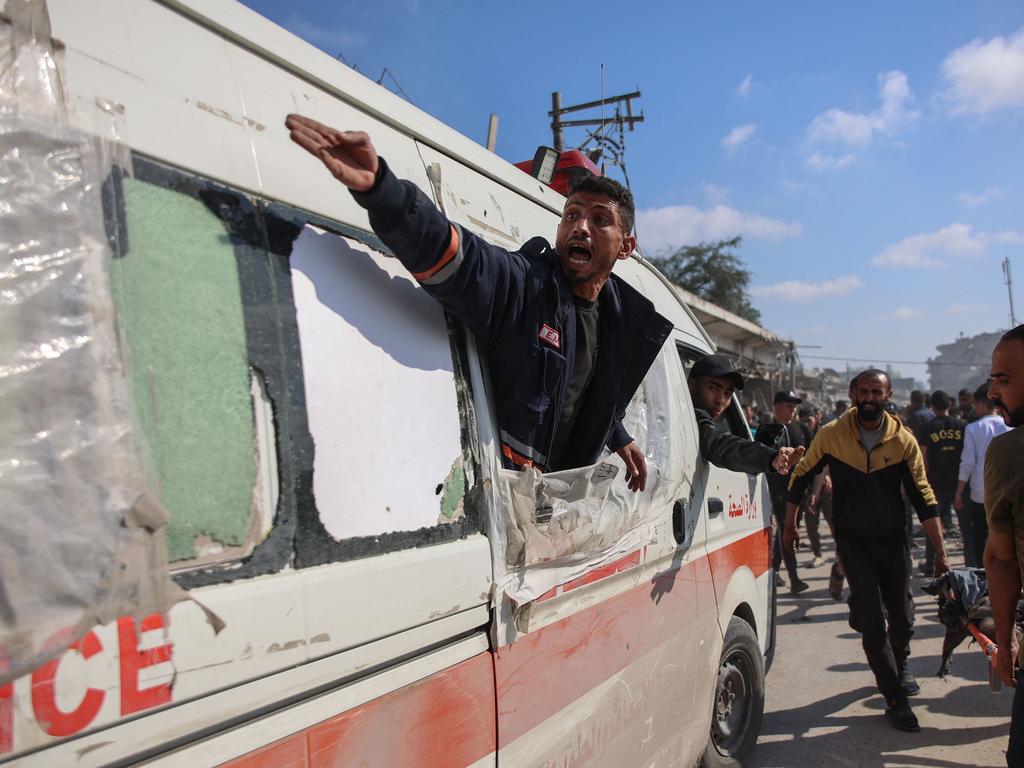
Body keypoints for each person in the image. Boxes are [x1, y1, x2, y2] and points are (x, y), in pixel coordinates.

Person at [285, 114, 672, 490]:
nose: (580, 227)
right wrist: (383, 193)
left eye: (600, 220)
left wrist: (615, 433)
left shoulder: (621, 323)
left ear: (626, 246)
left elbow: (581, 383)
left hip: (561, 512)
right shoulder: (526, 287)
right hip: (506, 505)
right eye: (572, 214)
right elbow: (465, 260)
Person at [783, 369, 948, 732]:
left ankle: (900, 663)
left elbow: (924, 497)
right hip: (852, 541)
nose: (870, 398)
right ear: (853, 393)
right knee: (874, 624)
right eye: (864, 392)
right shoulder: (831, 435)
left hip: (893, 541)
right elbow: (801, 474)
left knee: (903, 617)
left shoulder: (902, 440)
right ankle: (895, 699)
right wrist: (790, 522)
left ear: (888, 396)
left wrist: (941, 553)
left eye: (878, 392)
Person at [981, 324, 1024, 767]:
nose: (993, 392)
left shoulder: (1008, 452)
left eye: (1004, 380)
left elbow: (1000, 559)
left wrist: (1006, 638)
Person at [687, 354, 804, 474]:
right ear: (691, 386)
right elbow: (720, 445)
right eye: (712, 388)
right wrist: (770, 458)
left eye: (727, 393)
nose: (721, 400)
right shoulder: (691, 418)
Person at [756, 390, 814, 594]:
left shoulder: (803, 429)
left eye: (794, 406)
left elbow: (815, 459)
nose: (793, 410)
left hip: (799, 490)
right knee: (786, 529)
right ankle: (794, 578)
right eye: (788, 405)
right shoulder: (766, 431)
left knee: (788, 530)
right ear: (777, 407)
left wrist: (816, 486)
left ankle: (775, 569)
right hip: (778, 490)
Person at [956, 384, 1011, 566]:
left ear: (981, 404)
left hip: (981, 492)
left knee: (982, 536)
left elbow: (968, 463)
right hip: (1007, 490)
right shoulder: (1010, 426)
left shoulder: (973, 428)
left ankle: (985, 576)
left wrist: (959, 493)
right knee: (1007, 534)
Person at [919, 391, 965, 574]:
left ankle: (931, 563)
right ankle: (973, 565)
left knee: (934, 525)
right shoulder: (962, 426)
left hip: (936, 483)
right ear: (949, 405)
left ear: (932, 407)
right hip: (959, 482)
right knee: (965, 526)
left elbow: (922, 458)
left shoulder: (928, 428)